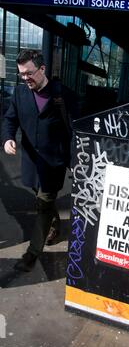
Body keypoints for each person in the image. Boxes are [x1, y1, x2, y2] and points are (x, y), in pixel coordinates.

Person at [1, 49, 76, 272]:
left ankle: (32, 253)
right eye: (22, 74)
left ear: (42, 69)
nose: (25, 78)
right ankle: (54, 225)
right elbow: (9, 119)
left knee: (43, 204)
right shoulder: (19, 94)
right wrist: (7, 139)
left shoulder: (63, 96)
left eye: (29, 73)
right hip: (31, 163)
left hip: (53, 164)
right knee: (41, 198)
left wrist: (74, 162)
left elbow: (74, 131)